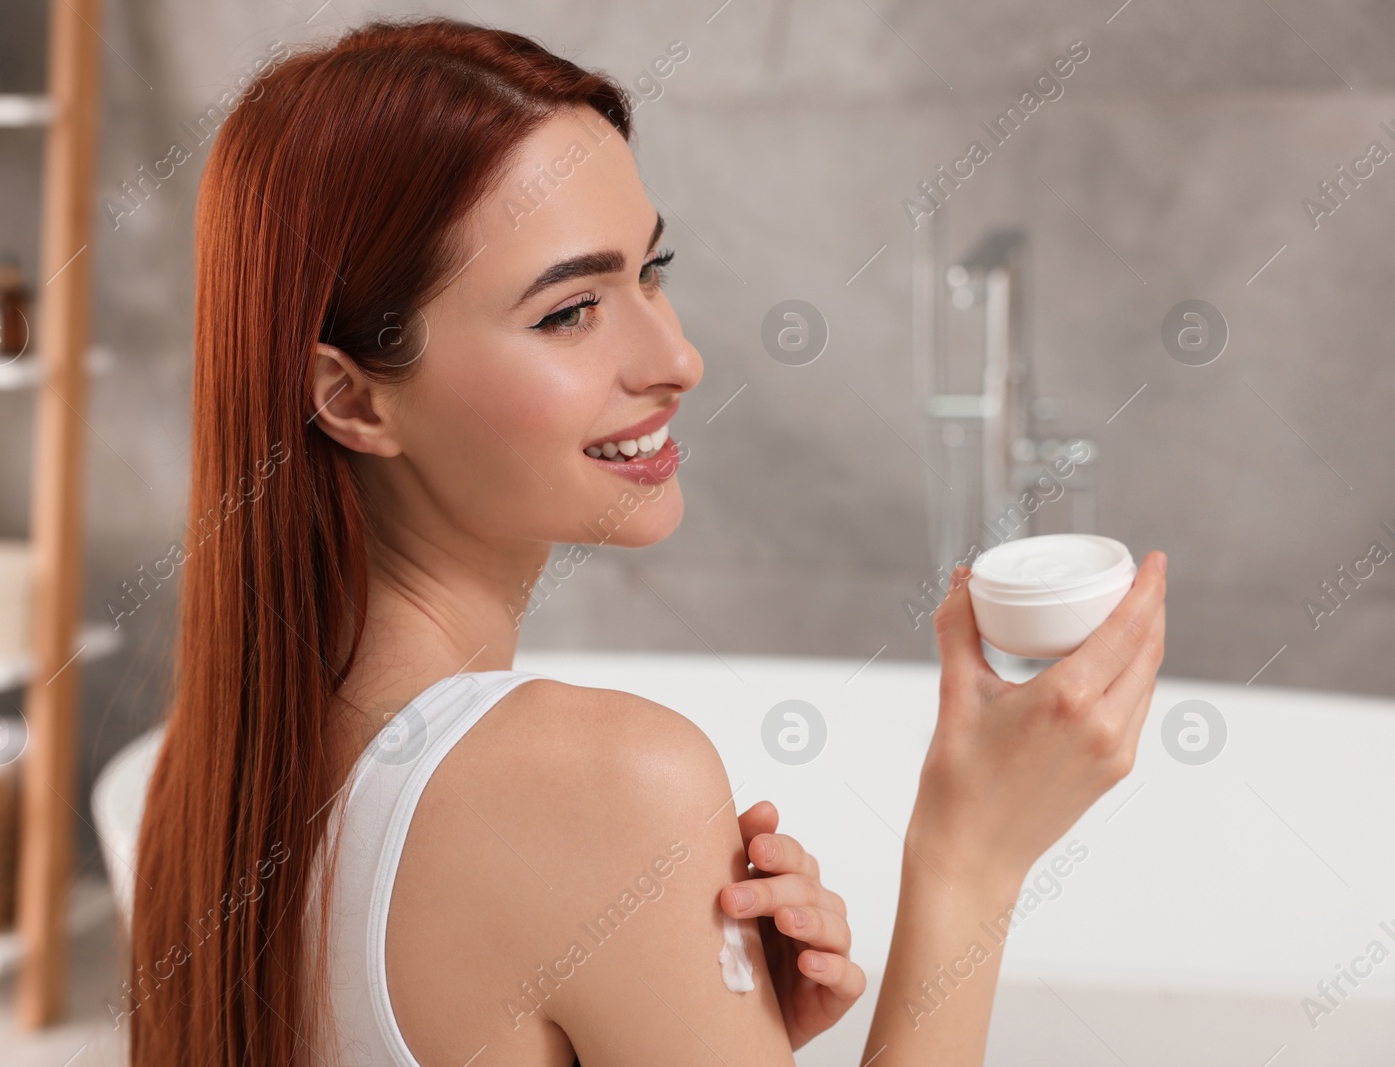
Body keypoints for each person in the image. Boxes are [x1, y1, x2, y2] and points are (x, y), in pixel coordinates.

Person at [132, 15, 1167, 1066]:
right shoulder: (613, 783)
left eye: (650, 269)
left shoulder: (217, 769)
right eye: (570, 310)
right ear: (352, 399)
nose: (675, 357)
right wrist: (969, 860)